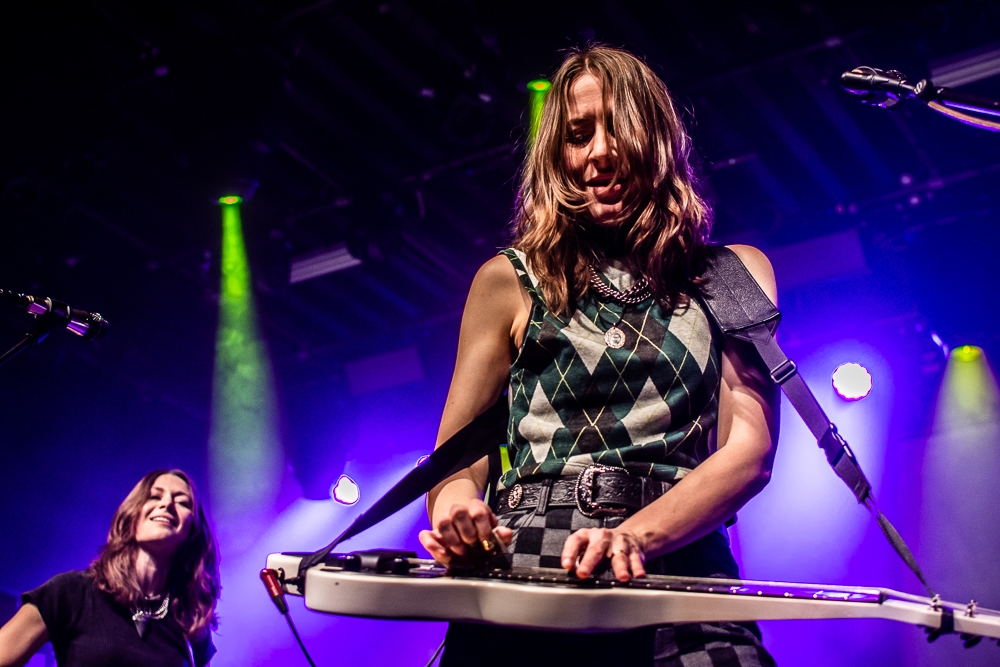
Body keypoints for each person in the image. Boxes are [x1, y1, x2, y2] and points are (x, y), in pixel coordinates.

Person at [419, 45, 780, 666]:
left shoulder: (732, 272)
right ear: (557, 158)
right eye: (579, 135)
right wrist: (458, 513)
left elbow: (751, 451)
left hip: (681, 567)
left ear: (660, 136)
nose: (600, 152)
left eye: (620, 126)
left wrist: (633, 536)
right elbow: (456, 457)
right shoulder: (507, 280)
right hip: (527, 564)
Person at [0, 469, 220, 667]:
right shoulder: (71, 592)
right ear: (131, 515)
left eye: (182, 502)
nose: (167, 504)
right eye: (154, 496)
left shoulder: (191, 623)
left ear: (193, 531)